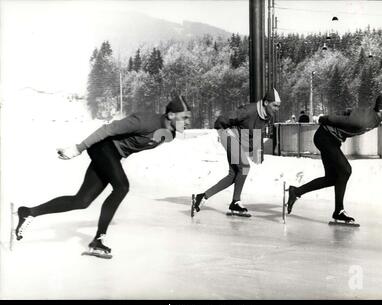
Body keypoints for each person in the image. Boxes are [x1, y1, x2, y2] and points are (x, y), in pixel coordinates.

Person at [15, 94, 192, 258]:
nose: (189, 121)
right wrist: (78, 148)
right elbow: (108, 129)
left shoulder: (170, 134)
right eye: (185, 117)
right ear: (170, 115)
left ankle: (28, 212)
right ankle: (98, 240)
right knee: (122, 187)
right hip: (103, 147)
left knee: (82, 201)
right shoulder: (145, 121)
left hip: (112, 155)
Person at [286, 92, 382, 223]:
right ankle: (338, 210)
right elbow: (341, 119)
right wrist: (322, 118)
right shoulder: (365, 120)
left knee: (332, 178)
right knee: (345, 170)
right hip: (325, 137)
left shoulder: (375, 118)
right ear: (381, 108)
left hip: (331, 139)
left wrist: (345, 113)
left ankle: (296, 192)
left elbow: (349, 112)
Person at [191, 88, 281, 217]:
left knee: (234, 174)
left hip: (238, 139)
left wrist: (257, 150)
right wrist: (221, 130)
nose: (277, 109)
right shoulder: (249, 111)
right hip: (227, 134)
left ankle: (202, 197)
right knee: (244, 167)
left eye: (278, 106)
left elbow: (254, 131)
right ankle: (236, 200)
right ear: (266, 103)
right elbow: (225, 118)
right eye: (275, 105)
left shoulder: (266, 115)